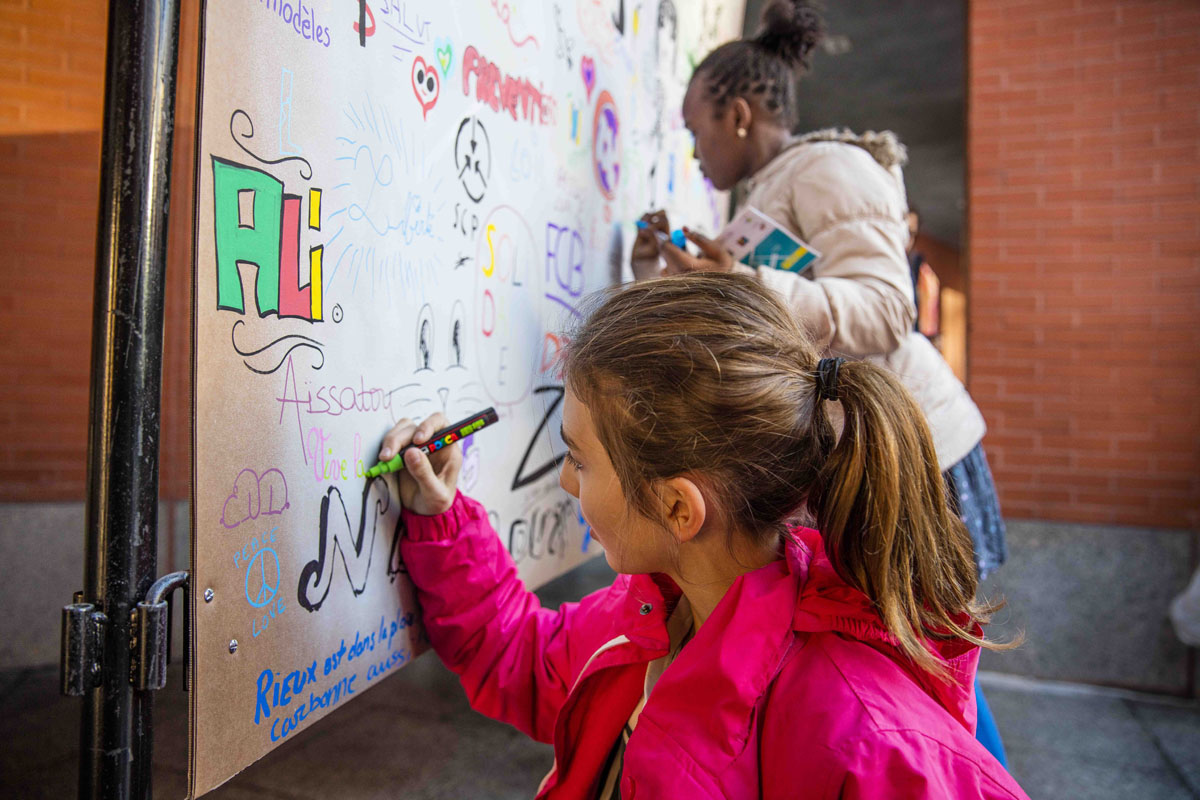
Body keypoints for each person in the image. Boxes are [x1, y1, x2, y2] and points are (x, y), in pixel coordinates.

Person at [378, 274, 1028, 799]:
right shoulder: (653, 612)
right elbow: (521, 658)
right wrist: (442, 515)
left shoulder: (866, 745)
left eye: (579, 459)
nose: (568, 485)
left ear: (678, 508)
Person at [630, 0, 1012, 767]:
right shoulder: (769, 188)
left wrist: (752, 283)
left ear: (737, 114)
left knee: (923, 662)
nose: (691, 144)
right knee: (899, 659)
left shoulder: (832, 168)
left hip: (912, 460)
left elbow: (888, 310)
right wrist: (664, 280)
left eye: (696, 123)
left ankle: (969, 780)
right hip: (863, 460)